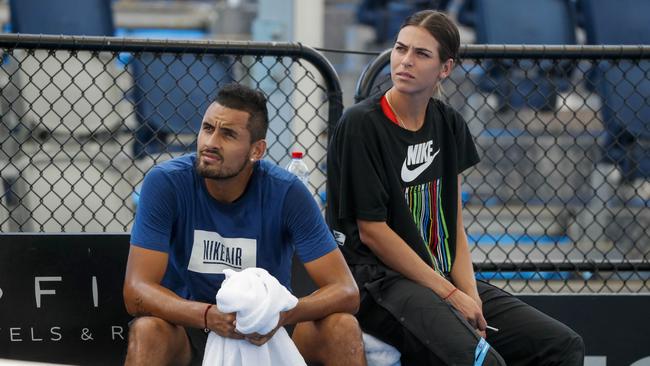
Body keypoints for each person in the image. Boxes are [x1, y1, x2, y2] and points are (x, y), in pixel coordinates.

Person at [326, 10, 585, 365]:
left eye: (421, 54)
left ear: (445, 68)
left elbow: (454, 225)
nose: (405, 61)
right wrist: (451, 294)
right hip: (380, 282)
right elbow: (373, 233)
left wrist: (470, 294)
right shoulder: (361, 124)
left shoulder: (448, 123)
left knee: (562, 345)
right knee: (482, 362)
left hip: (437, 277)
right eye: (401, 50)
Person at [123, 83, 365, 366]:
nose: (211, 142)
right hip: (192, 329)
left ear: (256, 150)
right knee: (148, 331)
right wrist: (207, 316)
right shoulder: (165, 183)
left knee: (342, 327)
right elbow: (136, 290)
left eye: (228, 134)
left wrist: (281, 314)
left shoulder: (286, 191)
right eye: (207, 128)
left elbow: (346, 291)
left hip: (268, 333)